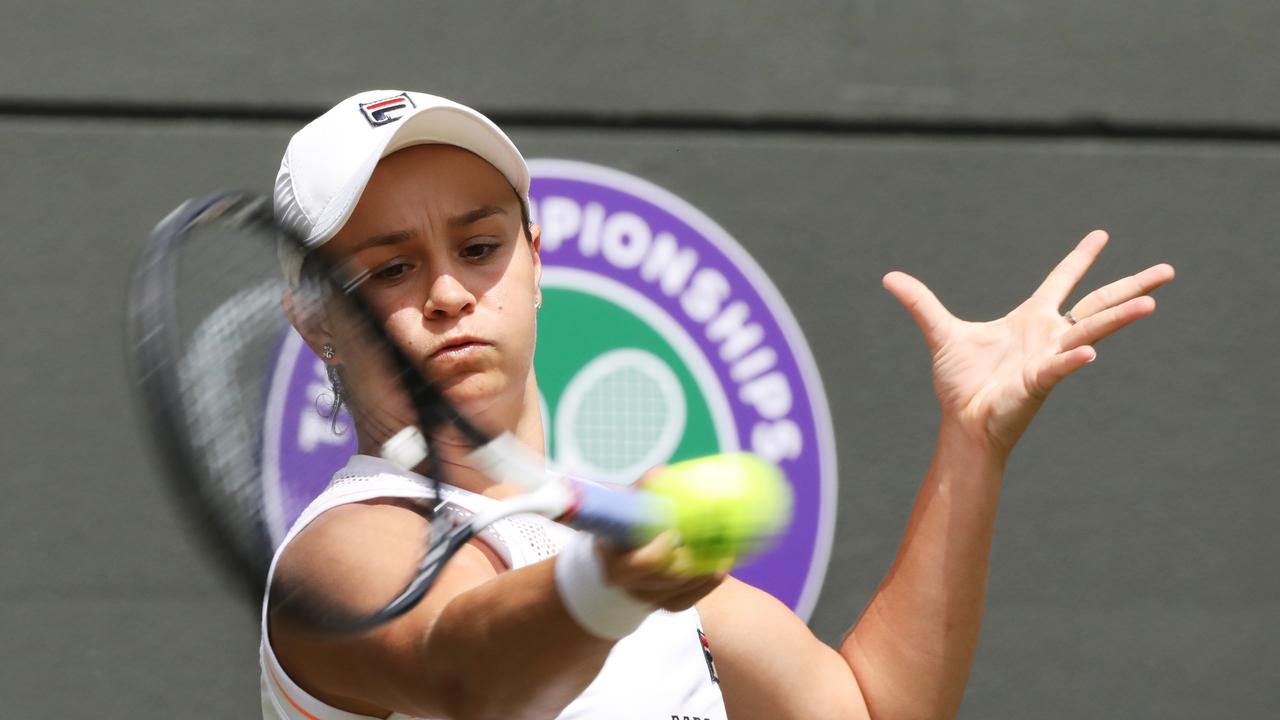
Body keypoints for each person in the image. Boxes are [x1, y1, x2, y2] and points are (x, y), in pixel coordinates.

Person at [261, 90, 1175, 720]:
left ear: (536, 260)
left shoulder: (613, 554)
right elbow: (462, 674)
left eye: (480, 245)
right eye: (390, 268)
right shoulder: (341, 552)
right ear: (317, 321)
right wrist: (614, 584)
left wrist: (972, 444)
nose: (451, 294)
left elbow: (866, 711)